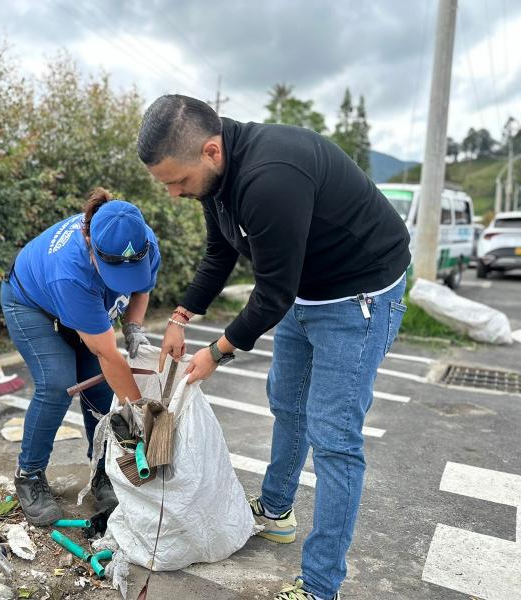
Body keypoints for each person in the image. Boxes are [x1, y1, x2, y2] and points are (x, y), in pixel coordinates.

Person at [137, 95, 410, 600]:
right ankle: (278, 511)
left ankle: (321, 585)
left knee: (334, 438)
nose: (174, 193)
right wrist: (181, 316)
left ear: (212, 151)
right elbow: (220, 251)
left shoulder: (271, 176)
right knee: (287, 404)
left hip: (359, 297)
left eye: (178, 181)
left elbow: (272, 295)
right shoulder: (216, 182)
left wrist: (216, 351)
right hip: (306, 291)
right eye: (167, 184)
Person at [0, 188, 160, 526]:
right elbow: (105, 351)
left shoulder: (141, 242)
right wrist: (141, 416)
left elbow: (143, 286)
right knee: (58, 383)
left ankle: (103, 471)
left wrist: (133, 327)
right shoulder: (70, 270)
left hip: (82, 306)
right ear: (90, 246)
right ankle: (29, 474)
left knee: (101, 390)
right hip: (32, 305)